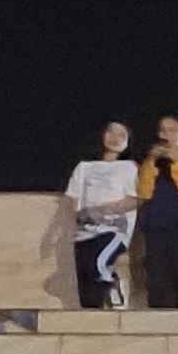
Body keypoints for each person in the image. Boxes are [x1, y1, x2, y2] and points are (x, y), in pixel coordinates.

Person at [57, 122, 140, 307]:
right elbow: (71, 199)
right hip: (84, 232)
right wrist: (73, 221)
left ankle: (112, 282)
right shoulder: (84, 167)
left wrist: (104, 210)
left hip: (113, 231)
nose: (115, 138)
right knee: (86, 287)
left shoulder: (129, 167)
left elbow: (134, 200)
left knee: (97, 264)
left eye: (121, 135)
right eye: (111, 132)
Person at [132, 116, 178, 311]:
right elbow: (144, 192)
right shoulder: (152, 162)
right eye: (162, 130)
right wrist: (152, 161)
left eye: (172, 130)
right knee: (156, 275)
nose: (166, 135)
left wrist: (176, 163)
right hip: (155, 226)